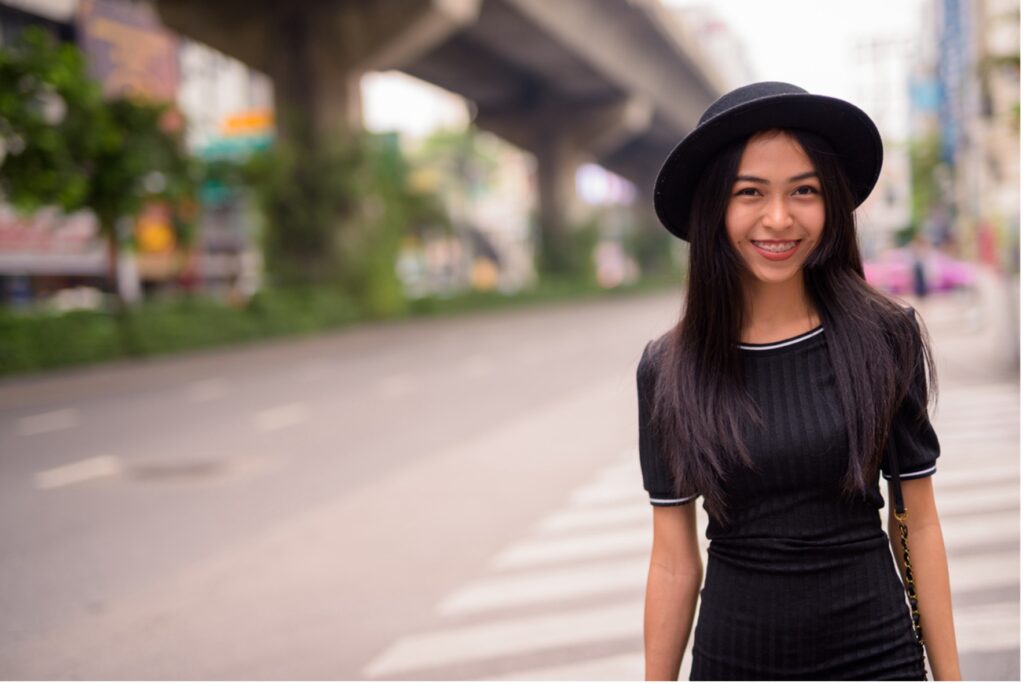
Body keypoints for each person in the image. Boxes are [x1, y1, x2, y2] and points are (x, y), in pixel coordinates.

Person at [637, 82, 961, 681]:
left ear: (832, 203)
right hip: (735, 662)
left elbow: (915, 520)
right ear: (714, 208)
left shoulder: (886, 337)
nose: (779, 218)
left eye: (804, 191)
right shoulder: (668, 367)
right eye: (750, 193)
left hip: (878, 658)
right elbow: (675, 561)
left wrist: (951, 678)